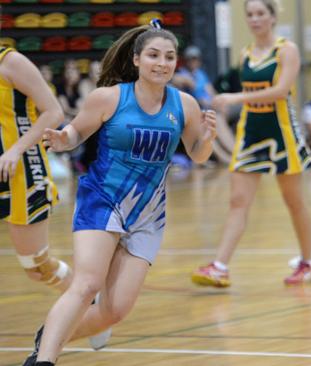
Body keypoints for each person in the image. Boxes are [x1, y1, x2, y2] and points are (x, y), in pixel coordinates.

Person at [23, 21, 218, 366]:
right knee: (87, 284)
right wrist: (61, 139)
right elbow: (76, 133)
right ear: (137, 59)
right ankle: (44, 360)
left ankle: (50, 333)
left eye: (170, 57)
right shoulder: (110, 97)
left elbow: (197, 154)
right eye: (154, 55)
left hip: (148, 215)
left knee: (115, 311)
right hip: (103, 200)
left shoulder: (184, 104)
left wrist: (207, 138)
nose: (163, 63)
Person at [191, 0, 311, 288]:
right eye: (250, 14)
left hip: (281, 132)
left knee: (293, 202)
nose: (255, 19)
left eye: (261, 13)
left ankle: (308, 262)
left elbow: (281, 91)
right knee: (237, 201)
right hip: (251, 133)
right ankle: (220, 266)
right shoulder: (246, 52)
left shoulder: (287, 50)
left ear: (273, 17)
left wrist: (234, 98)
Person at [0, 47, 72, 292]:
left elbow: (54, 112)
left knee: (37, 267)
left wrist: (15, 149)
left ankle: (90, 302)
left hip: (21, 166)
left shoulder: (11, 62)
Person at [172, 45, 235, 165]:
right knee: (209, 128)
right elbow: (180, 82)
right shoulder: (182, 74)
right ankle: (226, 158)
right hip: (196, 113)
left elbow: (210, 91)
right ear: (186, 60)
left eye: (195, 59)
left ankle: (235, 154)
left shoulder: (201, 74)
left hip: (209, 109)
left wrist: (219, 102)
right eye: (190, 59)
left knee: (218, 121)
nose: (193, 62)